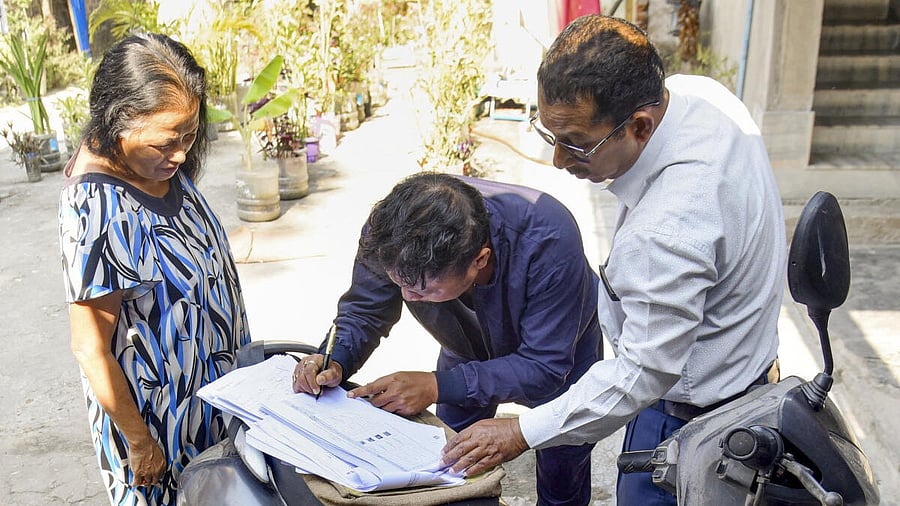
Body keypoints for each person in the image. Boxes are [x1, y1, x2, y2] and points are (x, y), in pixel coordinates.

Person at [440, 15, 786, 506]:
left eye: (577, 143)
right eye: (549, 135)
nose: (559, 160)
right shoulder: (699, 96)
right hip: (740, 374)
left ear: (640, 126)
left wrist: (521, 431)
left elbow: (641, 373)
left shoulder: (666, 230)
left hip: (691, 419)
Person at [292, 172, 604, 505]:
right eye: (400, 284)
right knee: (444, 465)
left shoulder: (549, 239)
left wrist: (435, 385)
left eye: (421, 290)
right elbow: (366, 311)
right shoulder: (387, 234)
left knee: (562, 471)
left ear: (479, 261)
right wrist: (335, 358)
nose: (406, 298)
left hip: (561, 357)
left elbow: (544, 365)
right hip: (464, 351)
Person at [58, 33, 251, 505]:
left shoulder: (157, 164)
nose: (182, 153)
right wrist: (142, 445)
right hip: (160, 432)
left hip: (214, 406)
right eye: (168, 141)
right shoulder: (97, 210)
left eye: (189, 134)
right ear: (118, 122)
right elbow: (90, 349)